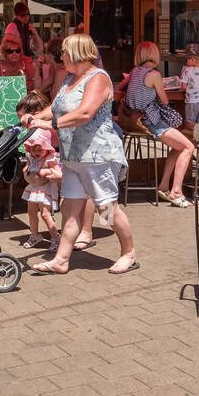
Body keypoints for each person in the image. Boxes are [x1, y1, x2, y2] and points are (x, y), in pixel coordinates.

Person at [23, 33, 137, 275]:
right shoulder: (69, 79)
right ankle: (61, 259)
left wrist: (49, 125)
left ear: (76, 52)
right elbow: (54, 109)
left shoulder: (98, 78)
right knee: (70, 209)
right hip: (73, 156)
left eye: (64, 51)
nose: (60, 55)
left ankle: (128, 253)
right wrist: (34, 118)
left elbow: (85, 113)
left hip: (97, 156)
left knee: (107, 209)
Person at [123, 41, 193, 207]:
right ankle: (176, 191)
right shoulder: (153, 74)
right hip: (153, 122)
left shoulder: (133, 72)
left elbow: (122, 87)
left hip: (137, 120)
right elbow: (165, 100)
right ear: (154, 55)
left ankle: (163, 186)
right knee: (188, 147)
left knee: (179, 147)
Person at [16, 92, 61, 249]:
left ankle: (56, 238)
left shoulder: (40, 134)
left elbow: (56, 170)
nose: (23, 123)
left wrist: (45, 173)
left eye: (24, 120)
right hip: (34, 185)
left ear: (35, 115)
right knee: (31, 212)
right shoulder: (31, 133)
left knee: (45, 214)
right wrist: (28, 166)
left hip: (44, 187)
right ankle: (34, 235)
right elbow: (32, 155)